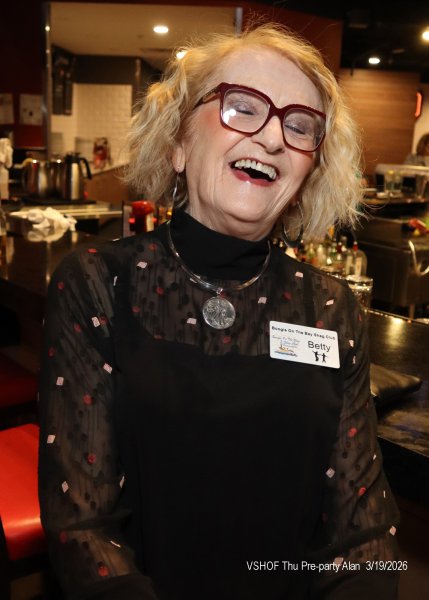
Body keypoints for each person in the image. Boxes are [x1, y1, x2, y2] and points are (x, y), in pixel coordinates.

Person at [38, 23, 400, 600]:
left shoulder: (332, 308)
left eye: (299, 125)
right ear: (178, 143)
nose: (274, 137)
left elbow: (365, 537)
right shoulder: (100, 283)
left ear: (308, 174)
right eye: (243, 107)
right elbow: (83, 527)